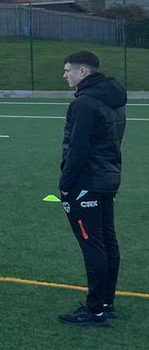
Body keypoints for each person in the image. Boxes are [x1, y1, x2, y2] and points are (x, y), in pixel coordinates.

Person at [57, 51, 127, 326]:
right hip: (108, 178)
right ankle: (106, 302)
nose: (65, 75)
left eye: (67, 70)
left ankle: (95, 309)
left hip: (87, 182)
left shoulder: (85, 103)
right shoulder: (113, 98)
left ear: (83, 72)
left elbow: (79, 148)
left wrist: (65, 185)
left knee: (93, 245)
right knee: (107, 241)